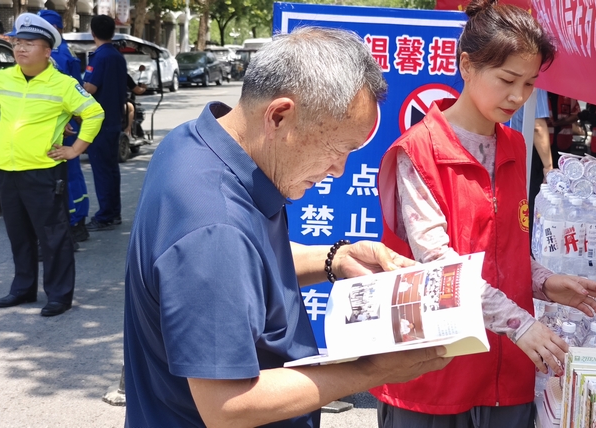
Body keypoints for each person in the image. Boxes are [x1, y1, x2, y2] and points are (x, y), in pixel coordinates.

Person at [123, 27, 451, 427]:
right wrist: (372, 371)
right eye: (337, 148)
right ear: (279, 116)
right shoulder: (214, 226)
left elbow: (243, 266)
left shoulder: (199, 144)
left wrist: (337, 258)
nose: (338, 169)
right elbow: (228, 407)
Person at [374, 2, 596, 426]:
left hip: (506, 378)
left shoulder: (514, 147)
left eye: (529, 84)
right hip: (434, 376)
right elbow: (440, 267)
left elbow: (505, 248)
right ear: (466, 65)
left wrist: (544, 281)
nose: (518, 96)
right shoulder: (419, 151)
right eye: (506, 80)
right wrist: (521, 325)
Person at [0, 13, 104, 316]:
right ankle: (23, 288)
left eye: (29, 43)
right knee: (18, 234)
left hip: (43, 171)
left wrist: (75, 149)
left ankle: (59, 295)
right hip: (7, 169)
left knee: (52, 236)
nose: (21, 49)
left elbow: (94, 114)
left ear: (47, 50)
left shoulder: (63, 85)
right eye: (17, 43)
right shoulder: (1, 79)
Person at [37, 9, 91, 243]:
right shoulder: (66, 53)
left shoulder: (51, 56)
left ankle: (66, 227)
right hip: (66, 124)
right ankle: (77, 223)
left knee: (55, 178)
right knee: (72, 174)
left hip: (54, 126)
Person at [82, 15, 126, 231]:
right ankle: (114, 211)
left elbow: (90, 88)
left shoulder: (99, 57)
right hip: (114, 119)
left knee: (101, 170)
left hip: (98, 122)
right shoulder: (118, 56)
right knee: (111, 169)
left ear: (93, 33)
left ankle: (105, 215)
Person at [509, 87, 551, 243]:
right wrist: (548, 167)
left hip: (489, 149)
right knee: (522, 210)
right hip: (520, 156)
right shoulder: (534, 80)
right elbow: (537, 126)